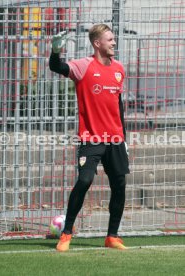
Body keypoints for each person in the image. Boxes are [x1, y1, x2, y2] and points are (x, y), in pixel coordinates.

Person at [49, 24, 130, 252]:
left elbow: (118, 105)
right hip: (91, 138)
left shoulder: (119, 69)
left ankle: (112, 236)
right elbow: (56, 66)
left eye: (114, 39)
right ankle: (66, 233)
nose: (114, 43)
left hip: (115, 138)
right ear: (97, 43)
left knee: (120, 185)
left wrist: (124, 137)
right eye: (110, 39)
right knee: (84, 181)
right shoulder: (83, 66)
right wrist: (55, 50)